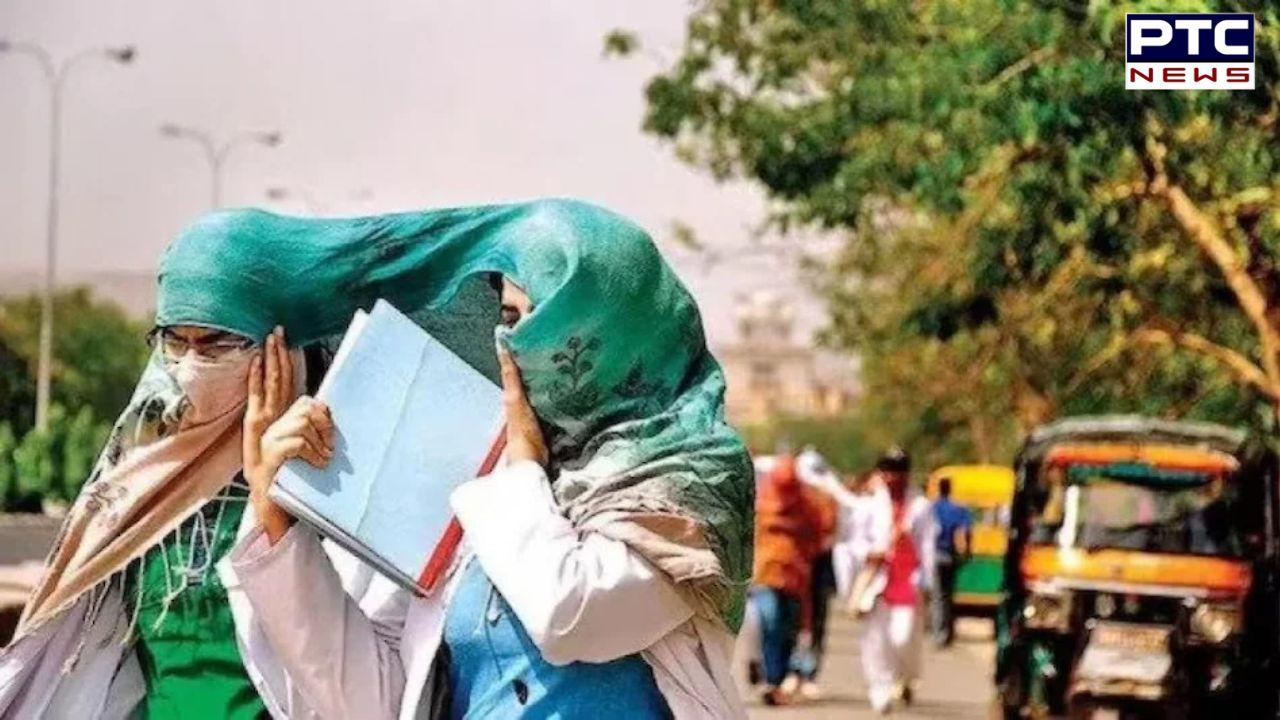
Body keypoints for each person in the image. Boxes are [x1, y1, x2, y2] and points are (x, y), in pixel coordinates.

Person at [212, 199, 754, 719]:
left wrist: (522, 470)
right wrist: (276, 518)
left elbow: (571, 615)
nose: (515, 342)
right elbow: (376, 702)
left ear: (609, 328)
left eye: (541, 320)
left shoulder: (692, 476)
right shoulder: (491, 477)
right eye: (508, 316)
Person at [0, 312, 319, 717]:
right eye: (175, 342)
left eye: (215, 345)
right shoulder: (141, 486)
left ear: (277, 354)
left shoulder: (317, 487)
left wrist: (270, 494)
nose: (190, 367)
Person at [852, 448, 936, 716]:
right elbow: (854, 542)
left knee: (901, 639)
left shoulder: (921, 507)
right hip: (878, 581)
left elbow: (928, 546)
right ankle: (880, 688)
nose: (892, 477)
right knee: (876, 639)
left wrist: (927, 581)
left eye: (897, 471)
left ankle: (905, 679)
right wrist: (869, 552)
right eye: (887, 470)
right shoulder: (868, 505)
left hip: (908, 582)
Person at [747, 453, 825, 706]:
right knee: (769, 623)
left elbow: (819, 534)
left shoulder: (808, 506)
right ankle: (771, 678)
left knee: (788, 630)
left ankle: (779, 679)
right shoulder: (760, 504)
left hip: (795, 576)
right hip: (766, 574)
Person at [930, 476, 972, 647]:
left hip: (935, 554)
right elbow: (967, 530)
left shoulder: (932, 508)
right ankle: (948, 633)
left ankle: (939, 634)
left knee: (938, 596)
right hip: (951, 555)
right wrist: (968, 551)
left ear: (940, 488)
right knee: (949, 595)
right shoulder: (958, 509)